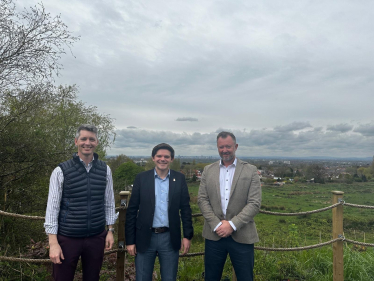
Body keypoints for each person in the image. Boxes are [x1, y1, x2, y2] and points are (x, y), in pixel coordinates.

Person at [44, 124, 116, 281]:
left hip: (96, 237)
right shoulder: (61, 171)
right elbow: (52, 208)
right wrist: (53, 243)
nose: (87, 143)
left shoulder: (105, 169)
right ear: (76, 141)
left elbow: (109, 202)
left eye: (92, 139)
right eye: (83, 139)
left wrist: (110, 230)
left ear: (97, 142)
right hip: (67, 237)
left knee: (93, 278)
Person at [198, 131, 262, 281]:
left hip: (243, 235)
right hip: (214, 235)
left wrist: (232, 225)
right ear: (217, 147)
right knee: (211, 278)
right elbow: (202, 199)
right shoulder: (208, 170)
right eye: (221, 147)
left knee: (245, 278)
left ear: (236, 146)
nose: (224, 150)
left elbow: (254, 203)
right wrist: (217, 224)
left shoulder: (250, 170)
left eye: (228, 146)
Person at [125, 143, 193, 281]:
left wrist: (187, 236)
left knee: (169, 278)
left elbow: (185, 208)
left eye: (166, 156)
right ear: (153, 158)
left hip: (169, 238)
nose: (163, 159)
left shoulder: (179, 179)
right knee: (142, 278)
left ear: (172, 159)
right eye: (159, 156)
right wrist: (130, 241)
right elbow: (132, 211)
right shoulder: (141, 178)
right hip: (144, 238)